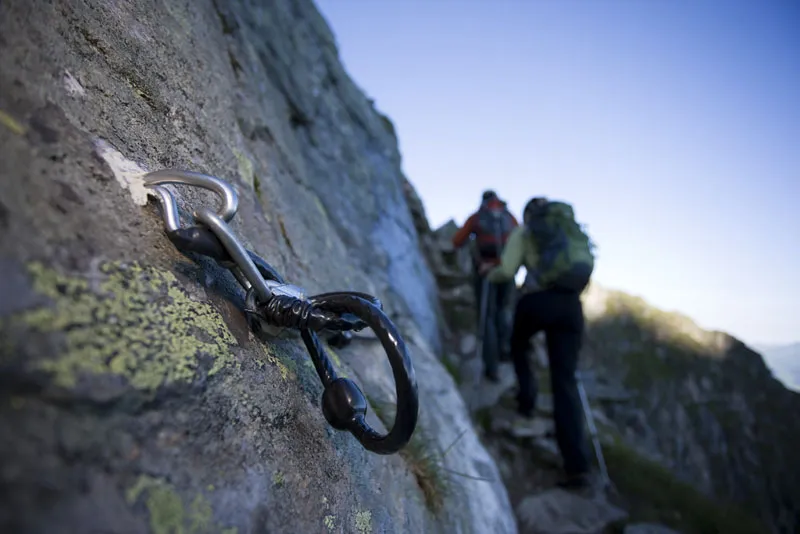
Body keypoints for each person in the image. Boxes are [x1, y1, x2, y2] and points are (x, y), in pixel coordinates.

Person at [482, 196, 596, 489]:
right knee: (565, 381)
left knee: (518, 344)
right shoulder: (564, 228)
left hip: (537, 301)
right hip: (571, 304)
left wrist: (489, 274)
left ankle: (526, 403)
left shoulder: (525, 231)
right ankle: (577, 467)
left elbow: (507, 271)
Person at [452, 190, 518, 381]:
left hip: (484, 272)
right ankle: (505, 349)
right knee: (504, 310)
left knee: (487, 316)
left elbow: (457, 241)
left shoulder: (477, 218)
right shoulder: (509, 218)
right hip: (505, 271)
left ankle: (492, 368)